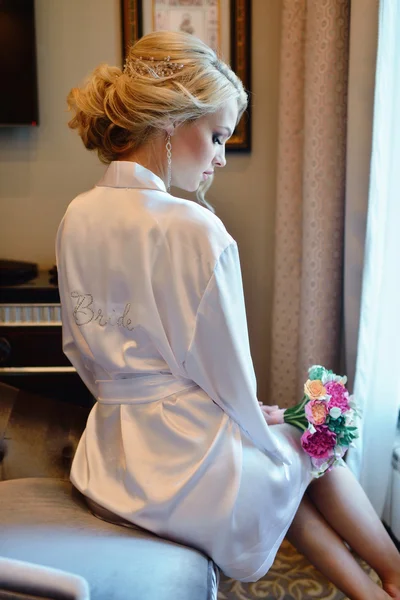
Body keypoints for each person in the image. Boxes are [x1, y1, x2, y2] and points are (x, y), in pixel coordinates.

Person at [56, 30, 400, 599]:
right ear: (171, 121)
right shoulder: (192, 226)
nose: (219, 157)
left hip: (112, 459)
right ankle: (393, 575)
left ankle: (374, 593)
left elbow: (80, 352)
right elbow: (227, 371)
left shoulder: (79, 213)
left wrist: (245, 415)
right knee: (316, 436)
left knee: (277, 466)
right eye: (216, 136)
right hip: (178, 466)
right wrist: (251, 413)